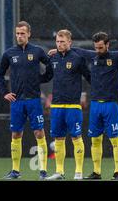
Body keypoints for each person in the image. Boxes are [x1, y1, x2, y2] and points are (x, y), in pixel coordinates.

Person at [48, 32, 118, 180]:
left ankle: (117, 172)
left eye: (101, 47)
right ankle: (96, 172)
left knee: (115, 139)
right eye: (96, 47)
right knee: (95, 139)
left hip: (110, 105)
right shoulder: (91, 56)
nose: (98, 50)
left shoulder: (116, 57)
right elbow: (74, 49)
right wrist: (57, 50)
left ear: (107, 45)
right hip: (95, 105)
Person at [0, 21, 53, 180]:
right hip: (16, 101)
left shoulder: (37, 51)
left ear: (29, 34)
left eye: (22, 33)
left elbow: (50, 67)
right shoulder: (9, 53)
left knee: (39, 133)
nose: (19, 36)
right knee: (16, 134)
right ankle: (15, 171)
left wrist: (40, 79)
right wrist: (4, 92)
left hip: (34, 100)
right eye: (17, 33)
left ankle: (43, 171)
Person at [46, 30, 91, 180]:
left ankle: (78, 172)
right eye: (58, 42)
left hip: (73, 106)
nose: (59, 45)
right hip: (57, 105)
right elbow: (47, 76)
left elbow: (89, 77)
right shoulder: (52, 58)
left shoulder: (78, 58)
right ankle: (59, 172)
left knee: (76, 137)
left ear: (69, 42)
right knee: (58, 139)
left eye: (62, 42)